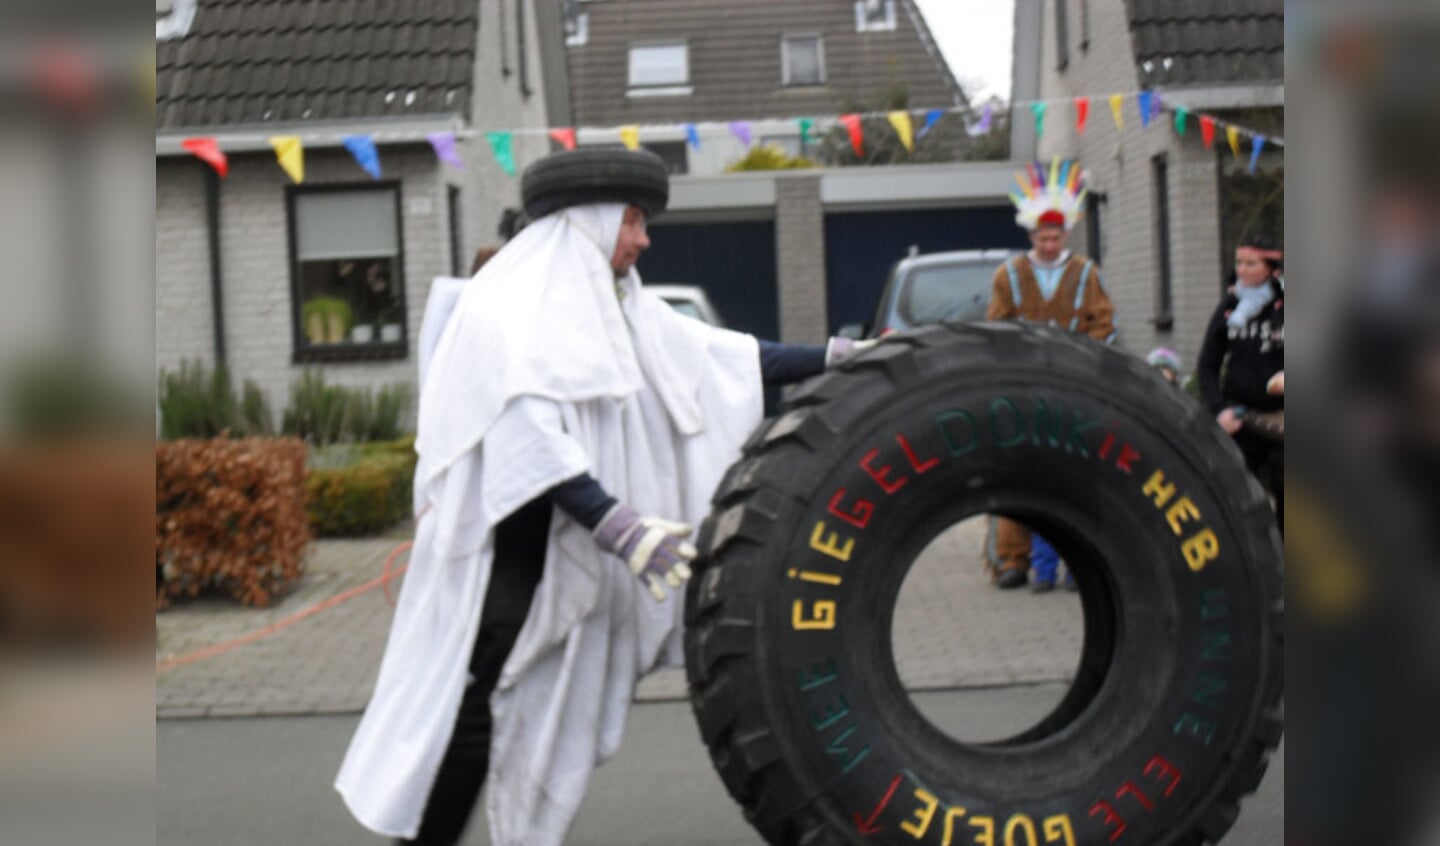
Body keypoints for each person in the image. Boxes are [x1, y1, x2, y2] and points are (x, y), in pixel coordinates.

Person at [336, 148, 871, 846]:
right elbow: (526, 437)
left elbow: (722, 359)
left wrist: (833, 358)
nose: (644, 239)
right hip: (503, 548)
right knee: (475, 698)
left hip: (555, 547)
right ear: (588, 221)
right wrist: (617, 527)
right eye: (633, 222)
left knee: (503, 698)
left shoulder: (616, 303)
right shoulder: (511, 307)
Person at [984, 158, 1117, 592]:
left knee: (1072, 471)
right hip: (1023, 383)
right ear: (1031, 236)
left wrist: (1083, 356)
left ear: (1065, 236)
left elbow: (1101, 322)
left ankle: (1076, 561)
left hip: (1072, 381)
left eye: (1055, 236)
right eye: (1042, 237)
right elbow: (997, 323)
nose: (1048, 243)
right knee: (1018, 469)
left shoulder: (1084, 272)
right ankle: (1013, 559)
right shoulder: (1009, 274)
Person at [1197, 235, 1285, 521]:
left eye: (1251, 263)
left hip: (1282, 421)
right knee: (1233, 501)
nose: (1242, 270)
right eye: (1239, 263)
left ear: (1272, 268)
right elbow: (1207, 365)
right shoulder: (1229, 307)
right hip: (1240, 419)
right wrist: (1219, 408)